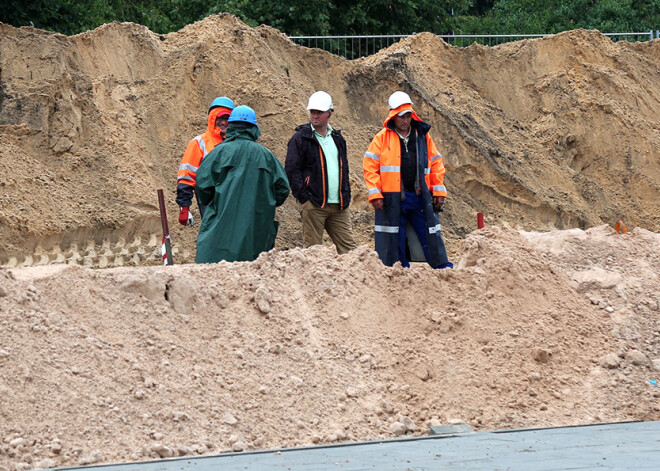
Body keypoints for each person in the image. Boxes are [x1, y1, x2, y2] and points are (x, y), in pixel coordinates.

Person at [363, 91, 453, 269]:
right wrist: (375, 194)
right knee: (394, 235)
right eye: (401, 116)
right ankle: (398, 270)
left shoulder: (422, 136)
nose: (405, 120)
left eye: (408, 116)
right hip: (392, 198)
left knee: (430, 231)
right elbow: (370, 167)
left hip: (419, 196)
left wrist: (438, 190)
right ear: (393, 117)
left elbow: (436, 164)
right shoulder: (381, 139)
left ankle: (442, 267)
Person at [194, 105, 290, 263]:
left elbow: (203, 186)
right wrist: (264, 204)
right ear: (254, 129)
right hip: (256, 229)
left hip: (220, 229)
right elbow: (282, 190)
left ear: (231, 126)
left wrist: (218, 202)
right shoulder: (267, 156)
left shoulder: (218, 153)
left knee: (214, 276)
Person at [285, 91, 357, 254]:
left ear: (329, 113)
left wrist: (345, 195)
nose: (315, 116)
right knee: (313, 253)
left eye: (319, 112)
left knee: (351, 252)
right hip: (314, 205)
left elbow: (343, 169)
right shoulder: (300, 139)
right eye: (312, 112)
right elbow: (292, 170)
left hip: (339, 205)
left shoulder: (338, 138)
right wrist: (304, 198)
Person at [176, 96, 235, 226]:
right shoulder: (199, 143)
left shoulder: (237, 144)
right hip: (209, 200)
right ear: (212, 119)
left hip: (235, 198)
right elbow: (187, 176)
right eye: (220, 118)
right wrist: (184, 207)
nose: (224, 123)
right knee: (215, 237)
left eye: (227, 119)